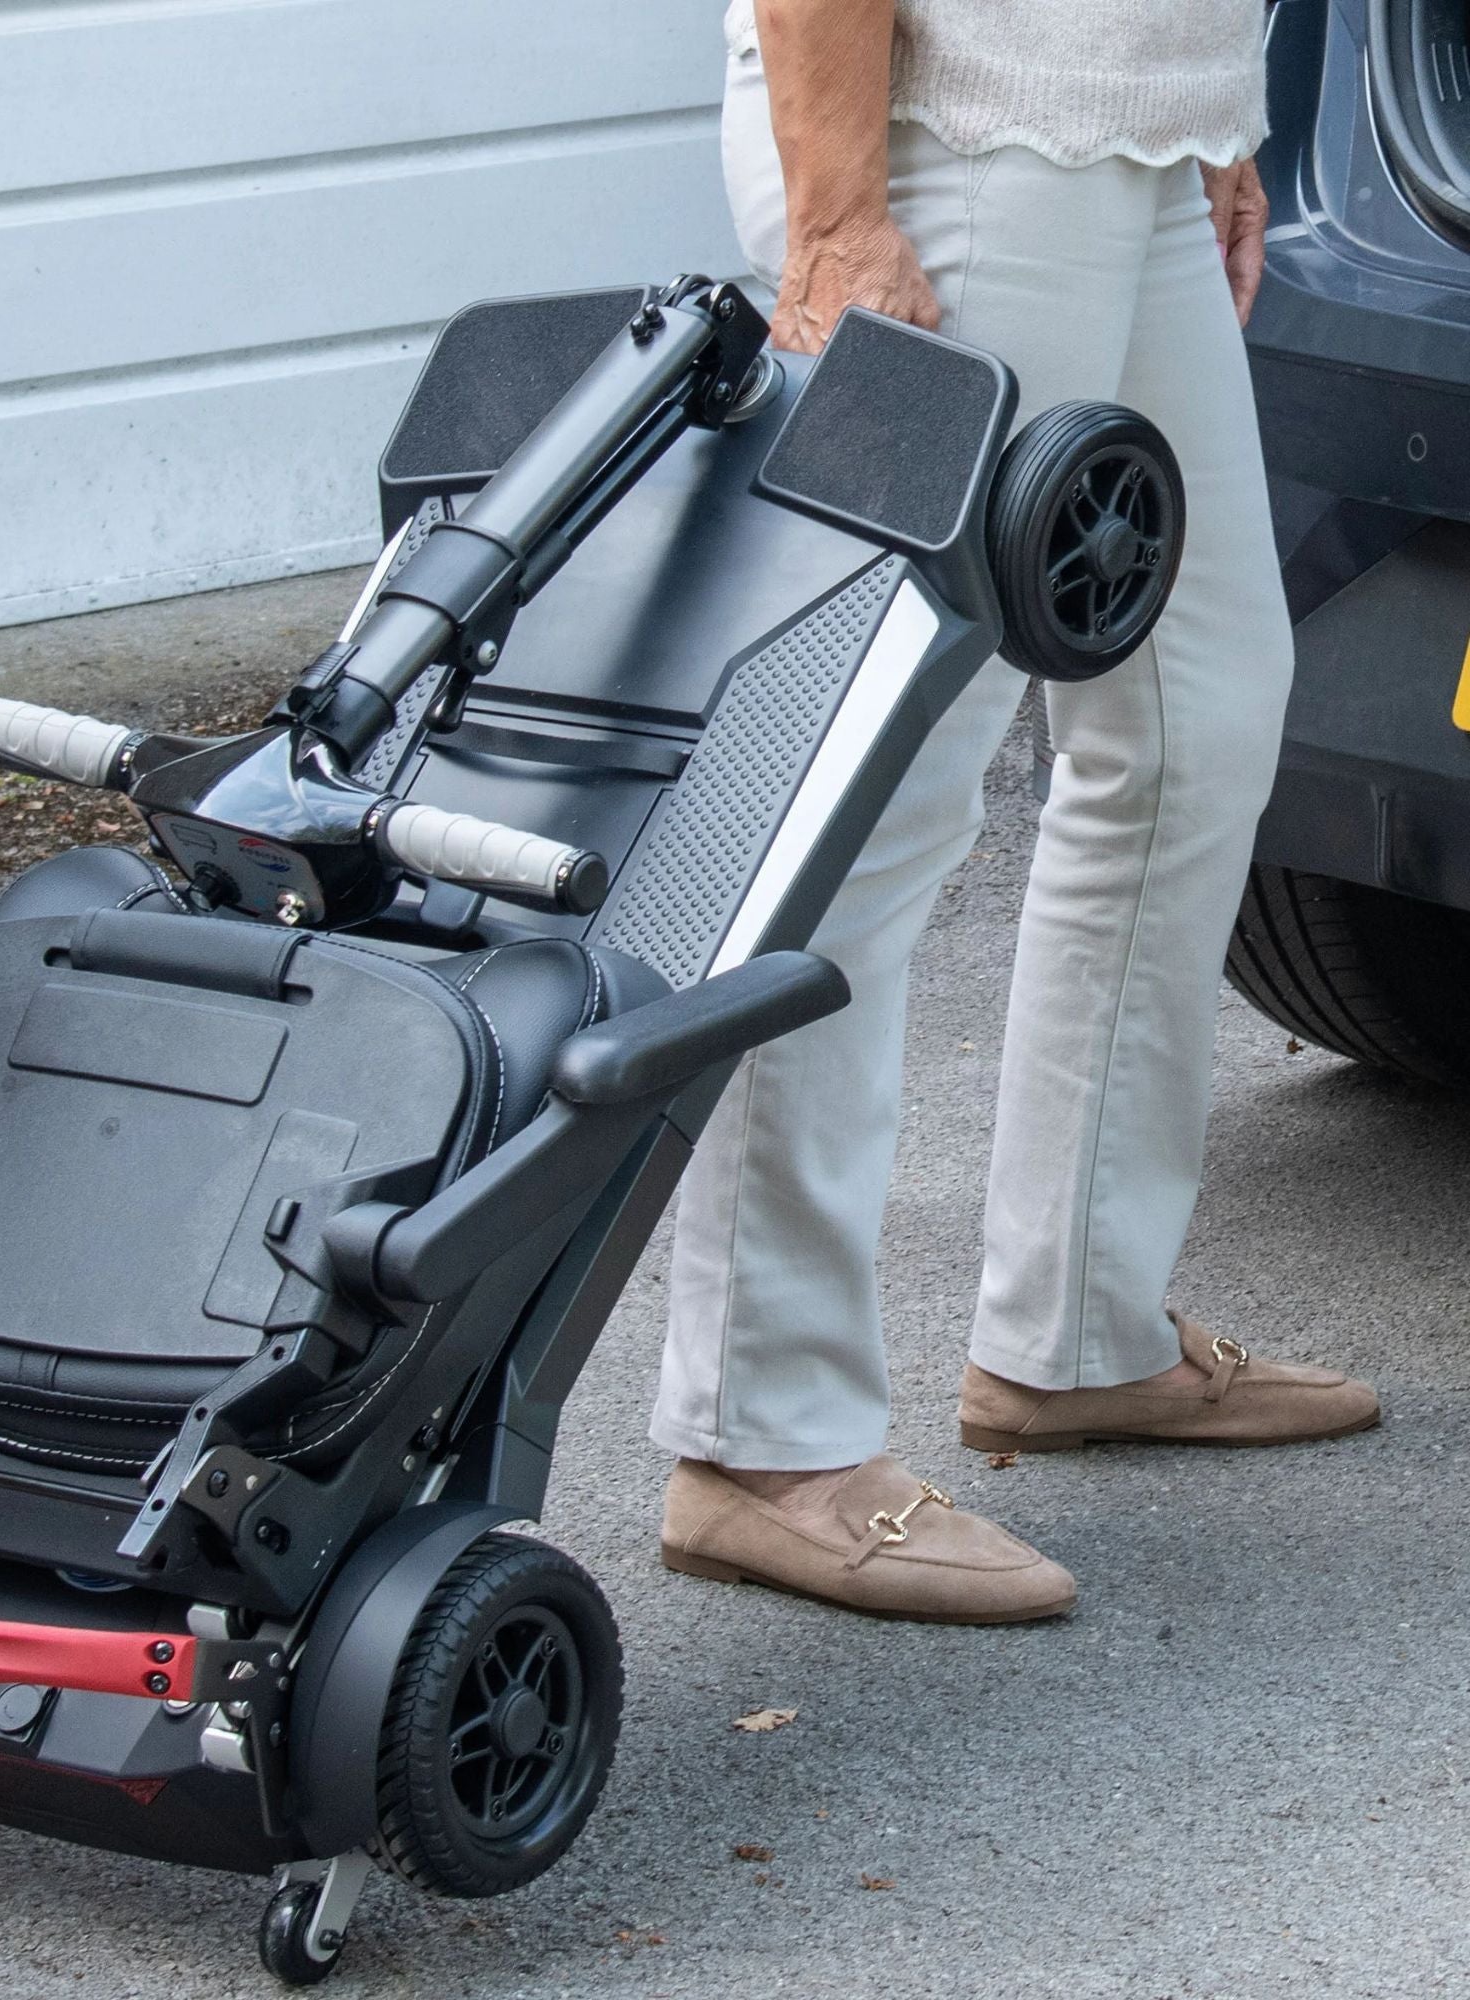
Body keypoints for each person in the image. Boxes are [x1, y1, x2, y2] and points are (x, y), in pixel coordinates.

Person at [655, 0, 1380, 1623]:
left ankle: (1075, 1332)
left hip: (1125, 134)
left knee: (1200, 709)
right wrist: (839, 215)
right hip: (950, 148)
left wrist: (1214, 112)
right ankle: (760, 1438)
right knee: (888, 785)